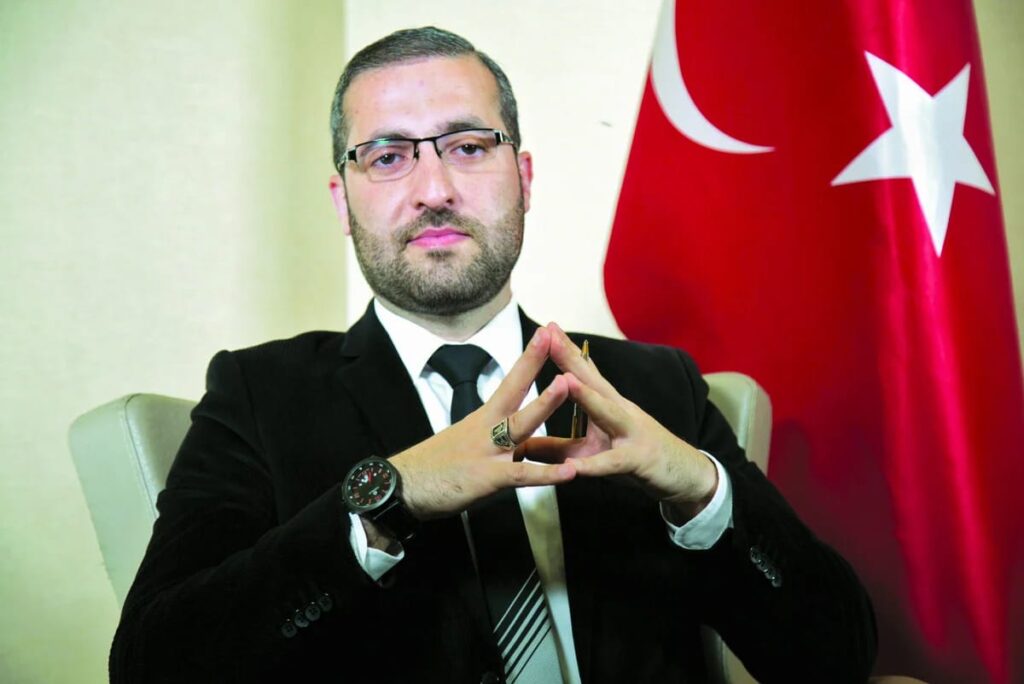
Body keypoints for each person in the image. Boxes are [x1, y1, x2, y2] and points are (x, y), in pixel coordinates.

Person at [110, 26, 876, 684]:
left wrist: (702, 492)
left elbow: (835, 659)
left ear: (524, 178)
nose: (435, 189)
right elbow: (154, 663)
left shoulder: (650, 385)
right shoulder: (258, 393)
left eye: (469, 146)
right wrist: (390, 498)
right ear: (343, 201)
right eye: (387, 157)